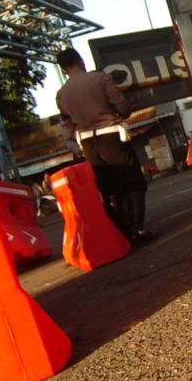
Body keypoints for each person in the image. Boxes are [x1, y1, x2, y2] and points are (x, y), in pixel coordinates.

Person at [55, 48, 153, 244]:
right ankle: (138, 230)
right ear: (81, 60)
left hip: (87, 143)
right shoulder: (100, 79)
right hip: (111, 135)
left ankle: (122, 233)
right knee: (133, 182)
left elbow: (67, 123)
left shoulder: (61, 94)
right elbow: (123, 108)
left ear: (64, 70)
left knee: (109, 188)